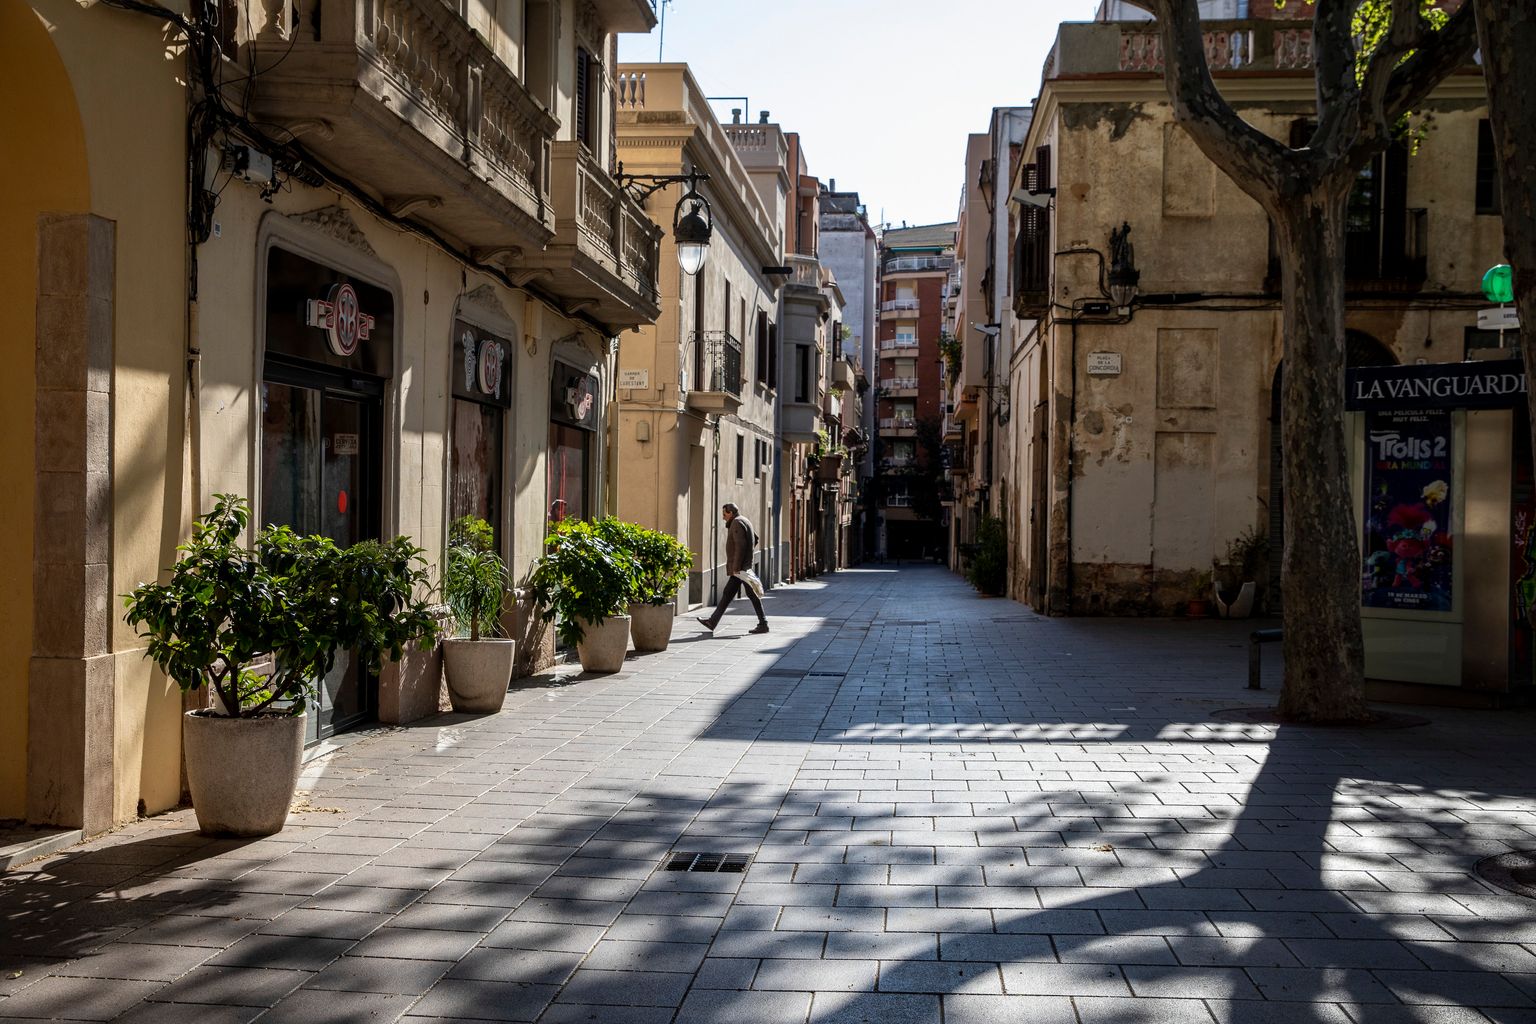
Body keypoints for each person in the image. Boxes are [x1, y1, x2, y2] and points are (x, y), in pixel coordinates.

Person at [697, 503, 768, 635]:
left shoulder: (736, 523)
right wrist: (748, 556)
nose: (723, 518)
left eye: (724, 514)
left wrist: (736, 566)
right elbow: (755, 539)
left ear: (730, 513)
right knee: (728, 593)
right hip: (743, 567)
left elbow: (740, 545)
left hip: (740, 569)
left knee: (751, 595)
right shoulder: (745, 520)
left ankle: (763, 624)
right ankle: (712, 621)